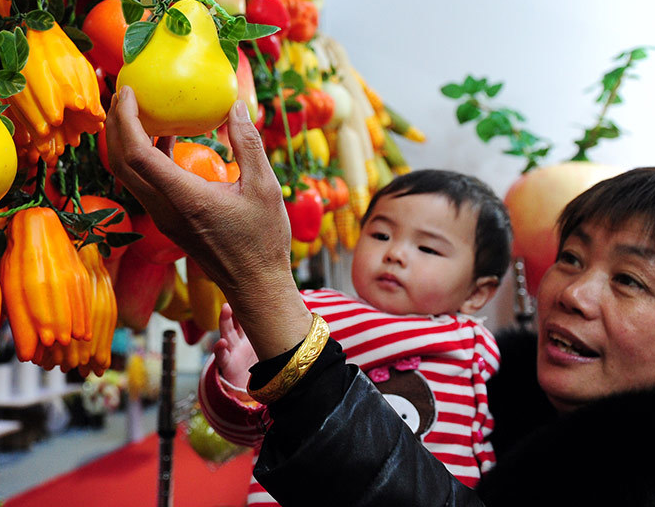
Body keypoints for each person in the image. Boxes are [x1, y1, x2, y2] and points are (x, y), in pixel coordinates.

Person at [105, 89, 655, 506]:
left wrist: (263, 282)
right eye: (570, 257)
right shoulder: (501, 393)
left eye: (628, 279)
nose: (572, 293)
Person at [200, 170, 511, 504]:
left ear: (477, 293)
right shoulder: (307, 314)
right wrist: (237, 384)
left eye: (427, 248)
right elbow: (242, 432)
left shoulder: (478, 346)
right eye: (380, 235)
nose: (395, 253)